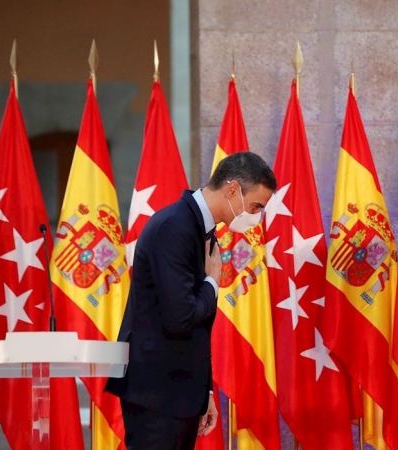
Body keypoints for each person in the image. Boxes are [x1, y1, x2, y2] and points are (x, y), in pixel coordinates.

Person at [106, 152, 276, 450]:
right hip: (157, 395)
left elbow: (198, 326)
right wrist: (212, 281)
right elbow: (181, 317)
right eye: (256, 206)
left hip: (178, 392)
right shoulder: (175, 227)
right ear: (232, 190)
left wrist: (205, 392)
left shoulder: (200, 228)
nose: (256, 216)